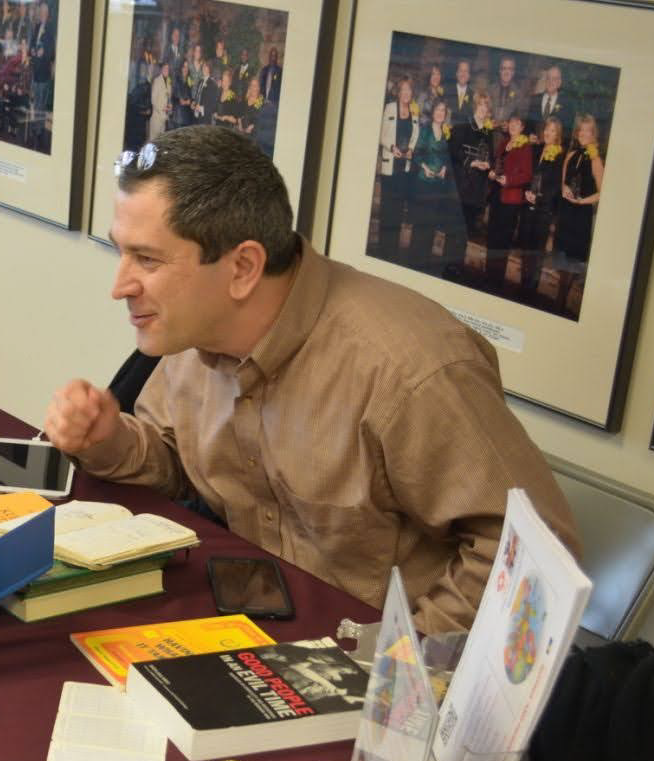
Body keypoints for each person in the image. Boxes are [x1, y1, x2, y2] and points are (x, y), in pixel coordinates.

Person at [43, 125, 576, 633]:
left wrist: (400, 662)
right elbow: (177, 462)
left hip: (375, 662)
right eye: (122, 251)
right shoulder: (196, 333)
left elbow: (532, 555)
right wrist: (109, 442)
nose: (119, 285)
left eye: (147, 259)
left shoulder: (407, 370)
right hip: (247, 621)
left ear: (242, 268)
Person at [407, 99, 466, 277]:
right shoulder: (425, 130)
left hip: (439, 187)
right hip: (424, 184)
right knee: (420, 224)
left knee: (431, 225)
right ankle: (414, 262)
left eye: (443, 110)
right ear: (433, 112)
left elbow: (448, 157)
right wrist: (425, 167)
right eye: (438, 110)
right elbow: (416, 154)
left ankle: (424, 262)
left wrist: (444, 168)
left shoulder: (447, 132)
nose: (440, 113)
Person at [556, 113, 603, 315]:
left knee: (573, 262)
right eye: (581, 130)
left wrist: (582, 201)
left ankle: (562, 305)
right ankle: (559, 303)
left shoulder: (596, 160)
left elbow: (602, 193)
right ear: (577, 133)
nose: (583, 134)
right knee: (563, 262)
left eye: (588, 131)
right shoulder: (571, 155)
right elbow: (563, 182)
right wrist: (564, 190)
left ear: (593, 134)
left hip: (581, 215)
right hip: (566, 212)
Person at [520, 115, 565, 303]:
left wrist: (538, 198)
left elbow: (555, 187)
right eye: (547, 128)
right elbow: (527, 174)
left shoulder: (560, 156)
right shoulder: (536, 149)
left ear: (557, 135)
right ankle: (522, 289)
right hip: (527, 206)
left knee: (537, 253)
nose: (548, 132)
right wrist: (526, 192)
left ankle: (530, 295)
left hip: (544, 210)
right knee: (525, 248)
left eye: (553, 130)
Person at [485, 113, 531, 291]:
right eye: (512, 122)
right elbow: (497, 164)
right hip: (497, 195)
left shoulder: (525, 147)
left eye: (517, 123)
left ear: (522, 127)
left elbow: (526, 175)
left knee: (503, 241)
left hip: (510, 199)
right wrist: (492, 172)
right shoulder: (504, 142)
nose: (513, 125)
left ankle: (496, 282)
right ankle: (488, 276)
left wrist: (509, 180)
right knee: (492, 237)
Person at [376, 76, 419, 263]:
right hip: (390, 167)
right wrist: (392, 147)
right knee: (387, 210)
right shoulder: (390, 108)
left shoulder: (414, 111)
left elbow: (415, 135)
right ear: (399, 92)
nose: (406, 93)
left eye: (409, 90)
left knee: (398, 211)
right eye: (404, 89)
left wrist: (411, 149)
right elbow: (381, 134)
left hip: (404, 170)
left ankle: (392, 252)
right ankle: (382, 250)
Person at [450, 91, 495, 241]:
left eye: (486, 106)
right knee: (455, 228)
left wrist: (488, 163)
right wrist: (471, 162)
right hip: (462, 183)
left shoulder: (488, 131)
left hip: (477, 186)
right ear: (475, 106)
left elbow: (491, 155)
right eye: (480, 104)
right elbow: (454, 150)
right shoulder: (464, 125)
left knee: (467, 230)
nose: (483, 108)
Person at [451, 58, 474, 125]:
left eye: (466, 71)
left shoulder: (474, 95)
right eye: (461, 70)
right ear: (456, 73)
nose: (463, 74)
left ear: (469, 75)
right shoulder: (447, 92)